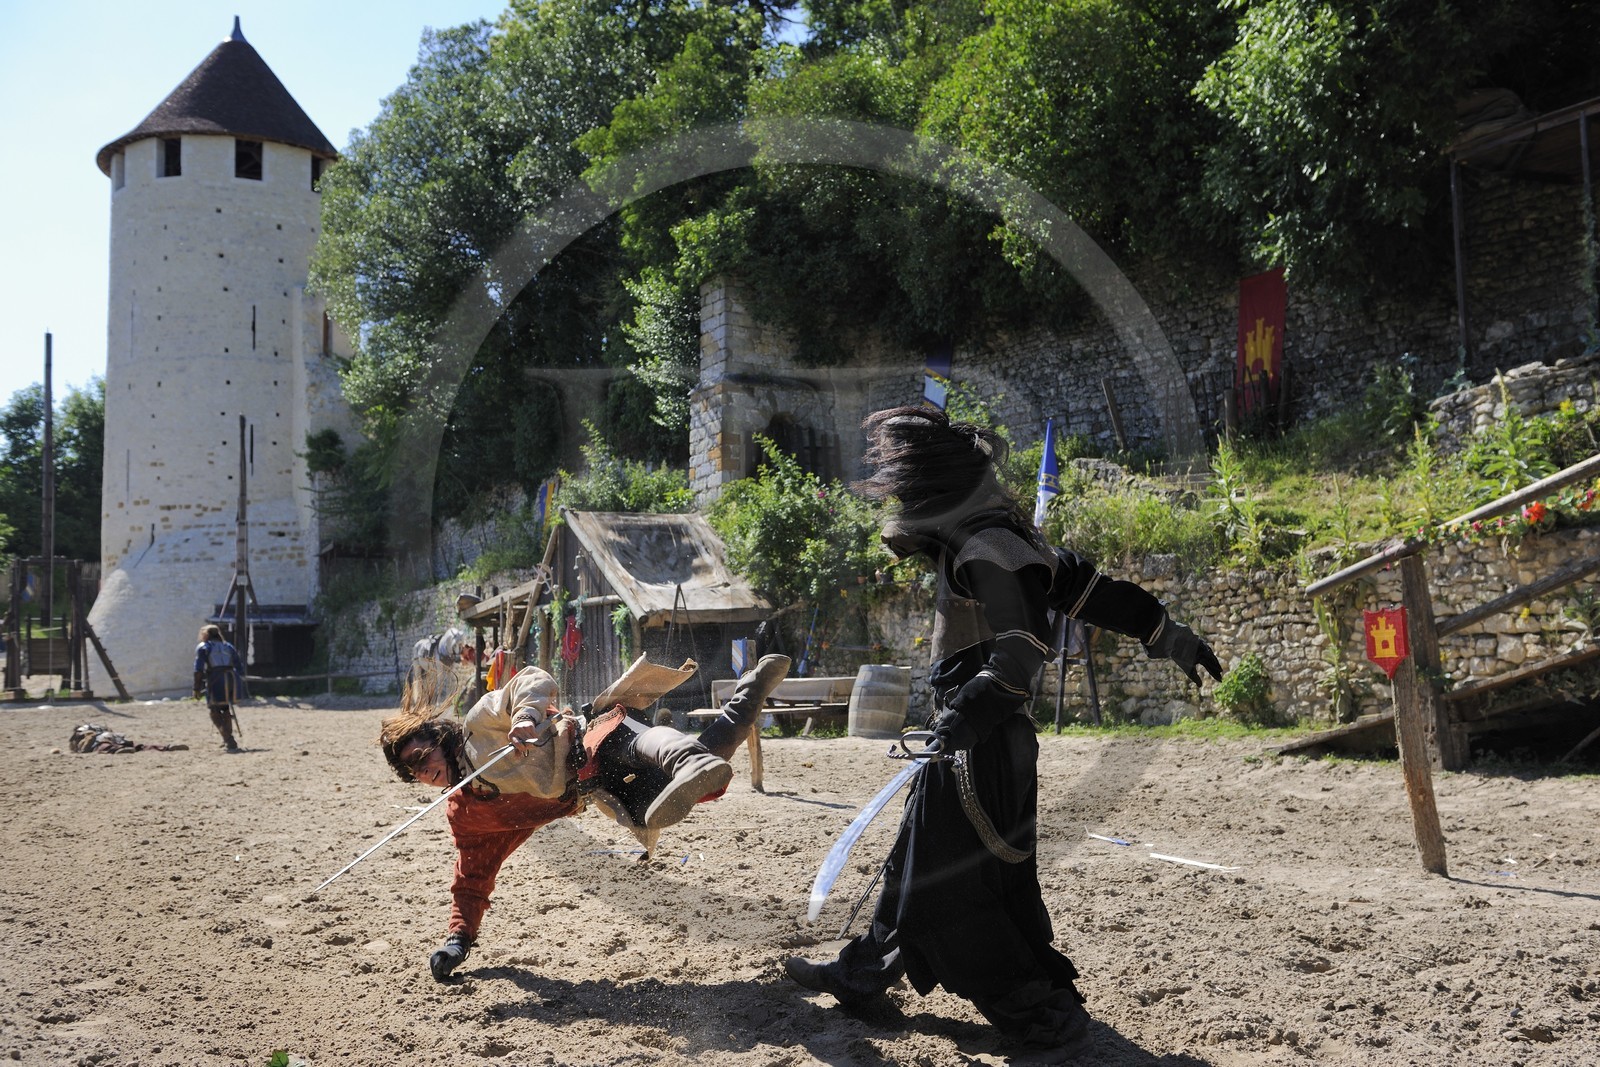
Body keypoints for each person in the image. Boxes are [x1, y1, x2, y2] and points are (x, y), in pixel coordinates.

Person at [784, 407, 1221, 1060]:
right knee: (914, 862)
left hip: (979, 745)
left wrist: (961, 719)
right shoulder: (1008, 539)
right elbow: (1096, 592)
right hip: (985, 742)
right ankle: (862, 974)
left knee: (954, 890)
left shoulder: (985, 547)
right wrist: (1169, 634)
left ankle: (1042, 1015)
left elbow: (1019, 655)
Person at [378, 651, 791, 982]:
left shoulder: (479, 726)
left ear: (438, 738)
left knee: (632, 742)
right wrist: (458, 938)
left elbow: (530, 679)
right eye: (412, 771)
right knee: (688, 786)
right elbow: (473, 874)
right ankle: (747, 699)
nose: (423, 770)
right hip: (596, 789)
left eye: (422, 755)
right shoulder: (467, 814)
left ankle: (685, 757)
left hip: (586, 738)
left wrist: (525, 717)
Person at [192, 624, 244, 752]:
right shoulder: (228, 646)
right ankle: (228, 738)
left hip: (216, 679)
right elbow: (239, 666)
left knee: (214, 710)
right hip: (231, 678)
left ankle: (228, 739)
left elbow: (198, 669)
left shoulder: (204, 647)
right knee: (225, 707)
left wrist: (196, 688)